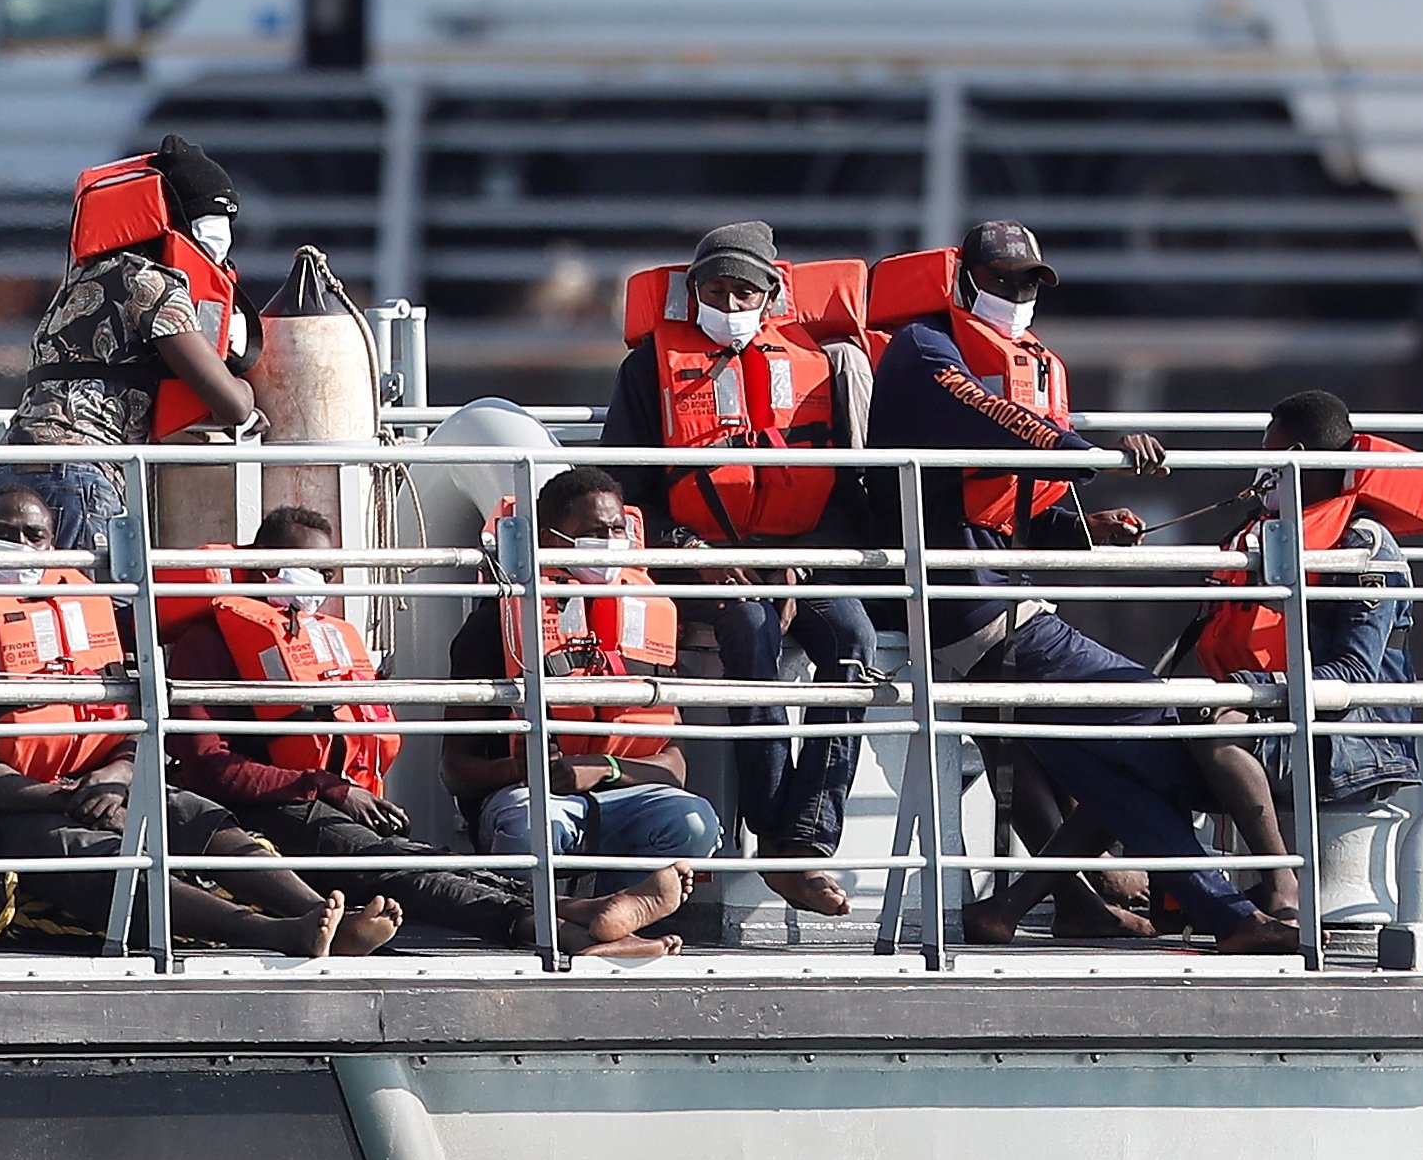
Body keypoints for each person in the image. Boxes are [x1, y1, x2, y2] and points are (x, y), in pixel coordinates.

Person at [867, 222, 1294, 954]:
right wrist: (1090, 451)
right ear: (964, 278)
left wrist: (1087, 523)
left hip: (1000, 597)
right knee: (1160, 718)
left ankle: (1230, 918)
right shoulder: (924, 350)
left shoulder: (1020, 359)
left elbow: (1017, 509)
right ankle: (1254, 890)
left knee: (1110, 780)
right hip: (966, 605)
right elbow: (987, 418)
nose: (1018, 295)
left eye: (1031, 282)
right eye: (1003, 280)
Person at [167, 506, 692, 955]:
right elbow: (208, 768)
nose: (320, 585)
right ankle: (562, 930)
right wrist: (328, 788)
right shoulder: (207, 643)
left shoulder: (321, 638)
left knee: (428, 861)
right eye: (306, 568)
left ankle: (578, 911)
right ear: (263, 569)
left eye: (328, 572)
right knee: (397, 870)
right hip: (272, 813)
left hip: (327, 806)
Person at [0, 486, 402, 957]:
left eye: (33, 535)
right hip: (3, 809)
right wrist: (67, 794)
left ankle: (325, 916)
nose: (20, 546)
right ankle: (279, 934)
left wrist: (115, 777)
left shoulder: (85, 610)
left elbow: (130, 723)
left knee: (199, 818)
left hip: (103, 783)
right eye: (4, 532)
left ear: (53, 542)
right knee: (102, 857)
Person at [600, 222, 878, 918]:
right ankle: (773, 824)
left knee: (855, 643)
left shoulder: (820, 364)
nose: (728, 302)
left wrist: (798, 560)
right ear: (692, 294)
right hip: (693, 559)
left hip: (799, 554)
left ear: (769, 295)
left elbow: (848, 491)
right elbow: (620, 490)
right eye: (714, 290)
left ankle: (801, 840)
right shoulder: (647, 369)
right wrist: (689, 550)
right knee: (750, 634)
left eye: (742, 291)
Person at [1182, 391, 1423, 913]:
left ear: (1296, 457)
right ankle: (1084, 894)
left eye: (1268, 452)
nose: (1260, 468)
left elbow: (1354, 673)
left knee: (1212, 731)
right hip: (1278, 715)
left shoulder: (1363, 546)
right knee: (1129, 738)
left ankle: (1282, 887)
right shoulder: (1268, 534)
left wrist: (1248, 694)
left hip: (1353, 743)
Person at [441, 468, 725, 901]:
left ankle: (616, 912)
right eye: (595, 531)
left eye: (618, 529)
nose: (611, 541)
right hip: (531, 802)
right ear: (552, 540)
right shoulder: (493, 628)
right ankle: (564, 919)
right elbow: (454, 770)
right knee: (529, 827)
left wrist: (604, 769)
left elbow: (675, 766)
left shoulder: (653, 621)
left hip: (626, 793)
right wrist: (526, 770)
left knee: (696, 823)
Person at [0, 134, 260, 554]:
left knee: (41, 610)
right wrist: (247, 390)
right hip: (78, 475)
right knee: (97, 612)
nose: (223, 240)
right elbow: (233, 406)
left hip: (12, 468)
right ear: (175, 222)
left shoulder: (83, 278)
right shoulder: (152, 284)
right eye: (214, 222)